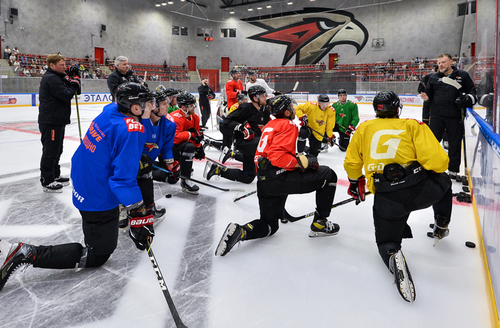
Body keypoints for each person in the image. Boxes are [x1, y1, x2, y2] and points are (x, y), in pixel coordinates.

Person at [0, 82, 156, 292]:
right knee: (99, 253)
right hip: (97, 192)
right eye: (146, 103)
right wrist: (138, 214)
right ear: (134, 108)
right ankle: (24, 252)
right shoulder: (132, 130)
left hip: (85, 176)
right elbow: (122, 180)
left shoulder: (112, 110)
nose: (151, 106)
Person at [343, 91, 453, 303]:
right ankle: (441, 224)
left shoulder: (364, 128)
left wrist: (356, 181)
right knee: (444, 183)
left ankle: (394, 254)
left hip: (387, 197)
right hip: (420, 190)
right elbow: (439, 163)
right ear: (397, 108)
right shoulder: (413, 125)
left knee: (386, 242)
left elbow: (352, 163)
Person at [215, 95, 339, 257]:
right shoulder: (288, 125)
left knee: (270, 226)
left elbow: (263, 157)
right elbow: (279, 158)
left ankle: (242, 231)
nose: (294, 109)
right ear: (286, 112)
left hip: (265, 182)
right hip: (280, 179)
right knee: (329, 175)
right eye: (291, 107)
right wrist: (302, 164)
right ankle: (320, 223)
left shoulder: (270, 125)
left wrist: (295, 161)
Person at [118, 89, 179, 228]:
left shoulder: (169, 123)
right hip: (130, 160)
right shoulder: (137, 121)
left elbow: (167, 147)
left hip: (147, 161)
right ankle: (122, 208)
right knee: (127, 182)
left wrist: (170, 163)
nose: (167, 106)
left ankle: (149, 208)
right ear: (153, 106)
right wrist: (145, 120)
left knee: (146, 179)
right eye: (164, 104)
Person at [421, 53, 477, 179]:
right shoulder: (434, 77)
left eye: (443, 62)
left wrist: (467, 98)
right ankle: (432, 169)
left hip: (455, 117)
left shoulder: (462, 75)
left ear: (451, 62)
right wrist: (426, 97)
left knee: (455, 144)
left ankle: (453, 170)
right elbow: (428, 94)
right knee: (432, 143)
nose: (440, 65)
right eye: (439, 63)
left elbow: (473, 92)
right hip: (436, 116)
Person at [204, 85, 269, 184]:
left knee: (248, 177)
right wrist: (240, 127)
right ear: (255, 98)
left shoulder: (265, 110)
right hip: (244, 143)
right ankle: (265, 171)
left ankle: (217, 170)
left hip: (254, 145)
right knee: (265, 143)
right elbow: (227, 121)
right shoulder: (246, 107)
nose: (265, 97)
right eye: (263, 95)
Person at [38, 54, 81, 192]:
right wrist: (73, 82)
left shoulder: (58, 78)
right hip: (51, 121)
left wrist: (75, 78)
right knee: (50, 151)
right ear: (52, 65)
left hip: (58, 120)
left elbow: (76, 91)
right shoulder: (51, 79)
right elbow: (66, 94)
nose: (64, 67)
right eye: (61, 65)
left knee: (57, 149)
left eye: (64, 64)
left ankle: (55, 175)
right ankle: (47, 180)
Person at [171, 92, 205, 194]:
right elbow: (175, 138)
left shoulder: (194, 117)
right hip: (168, 149)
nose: (194, 107)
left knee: (190, 147)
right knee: (189, 147)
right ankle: (185, 180)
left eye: (193, 105)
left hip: (180, 147)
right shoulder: (175, 117)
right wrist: (191, 135)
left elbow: (196, 135)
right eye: (191, 106)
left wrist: (198, 147)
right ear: (183, 107)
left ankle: (184, 170)